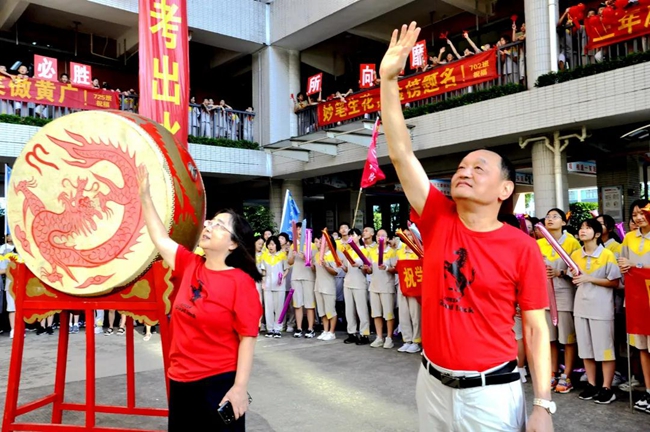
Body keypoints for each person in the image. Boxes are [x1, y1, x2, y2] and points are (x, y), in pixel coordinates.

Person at [379, 22, 552, 431]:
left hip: (490, 394)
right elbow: (402, 152)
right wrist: (388, 80)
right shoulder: (438, 217)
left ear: (505, 189)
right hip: (431, 385)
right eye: (460, 167)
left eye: (479, 167)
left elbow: (534, 328)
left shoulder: (521, 247)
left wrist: (544, 405)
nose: (465, 172)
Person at [137, 165, 262, 431]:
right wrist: (145, 196)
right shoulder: (189, 265)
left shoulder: (241, 283)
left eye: (219, 225)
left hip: (218, 382)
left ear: (233, 243)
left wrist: (239, 388)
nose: (208, 226)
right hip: (180, 379)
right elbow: (159, 238)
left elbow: (247, 339)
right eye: (211, 221)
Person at [570, 219, 621, 404]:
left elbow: (615, 282)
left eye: (588, 228)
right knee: (586, 349)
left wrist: (590, 279)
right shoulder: (575, 254)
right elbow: (573, 278)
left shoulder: (607, 254)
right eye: (581, 228)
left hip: (601, 308)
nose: (583, 231)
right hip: (581, 307)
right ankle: (591, 384)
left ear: (598, 234)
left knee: (605, 349)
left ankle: (607, 387)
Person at [537, 208, 581, 393]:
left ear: (564, 222)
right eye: (547, 217)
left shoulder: (572, 242)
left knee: (567, 337)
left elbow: (578, 269)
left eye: (555, 217)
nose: (550, 219)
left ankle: (567, 374)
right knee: (550, 338)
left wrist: (560, 272)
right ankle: (553, 372)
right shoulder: (539, 243)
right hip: (544, 294)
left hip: (564, 294)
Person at [619, 199, 650, 412]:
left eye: (642, 213)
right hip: (636, 300)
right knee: (642, 349)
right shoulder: (629, 237)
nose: (638, 217)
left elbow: (635, 266)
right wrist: (624, 266)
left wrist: (636, 266)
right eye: (635, 214)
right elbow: (623, 262)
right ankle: (649, 390)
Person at [341, 228, 371, 345]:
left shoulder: (365, 250)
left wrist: (359, 265)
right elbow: (347, 269)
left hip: (359, 282)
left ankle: (364, 334)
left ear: (359, 237)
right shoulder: (348, 250)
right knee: (349, 310)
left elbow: (369, 269)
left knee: (361, 309)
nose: (351, 237)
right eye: (349, 235)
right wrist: (342, 266)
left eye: (353, 235)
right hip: (348, 282)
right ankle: (352, 333)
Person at [288, 222, 317, 338]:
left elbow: (315, 266)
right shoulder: (292, 246)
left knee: (309, 304)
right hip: (296, 277)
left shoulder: (312, 245)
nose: (299, 231)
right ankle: (299, 328)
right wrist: (293, 256)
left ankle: (310, 328)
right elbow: (289, 262)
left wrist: (305, 258)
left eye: (301, 229)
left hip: (308, 277)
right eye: (297, 229)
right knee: (297, 304)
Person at [261, 236, 288, 338]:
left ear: (277, 245)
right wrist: (263, 281)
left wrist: (282, 277)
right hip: (268, 284)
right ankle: (270, 329)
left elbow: (286, 269)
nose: (270, 246)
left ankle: (278, 329)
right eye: (269, 244)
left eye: (272, 244)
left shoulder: (282, 255)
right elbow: (263, 270)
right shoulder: (265, 256)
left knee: (279, 307)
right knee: (268, 307)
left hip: (279, 285)